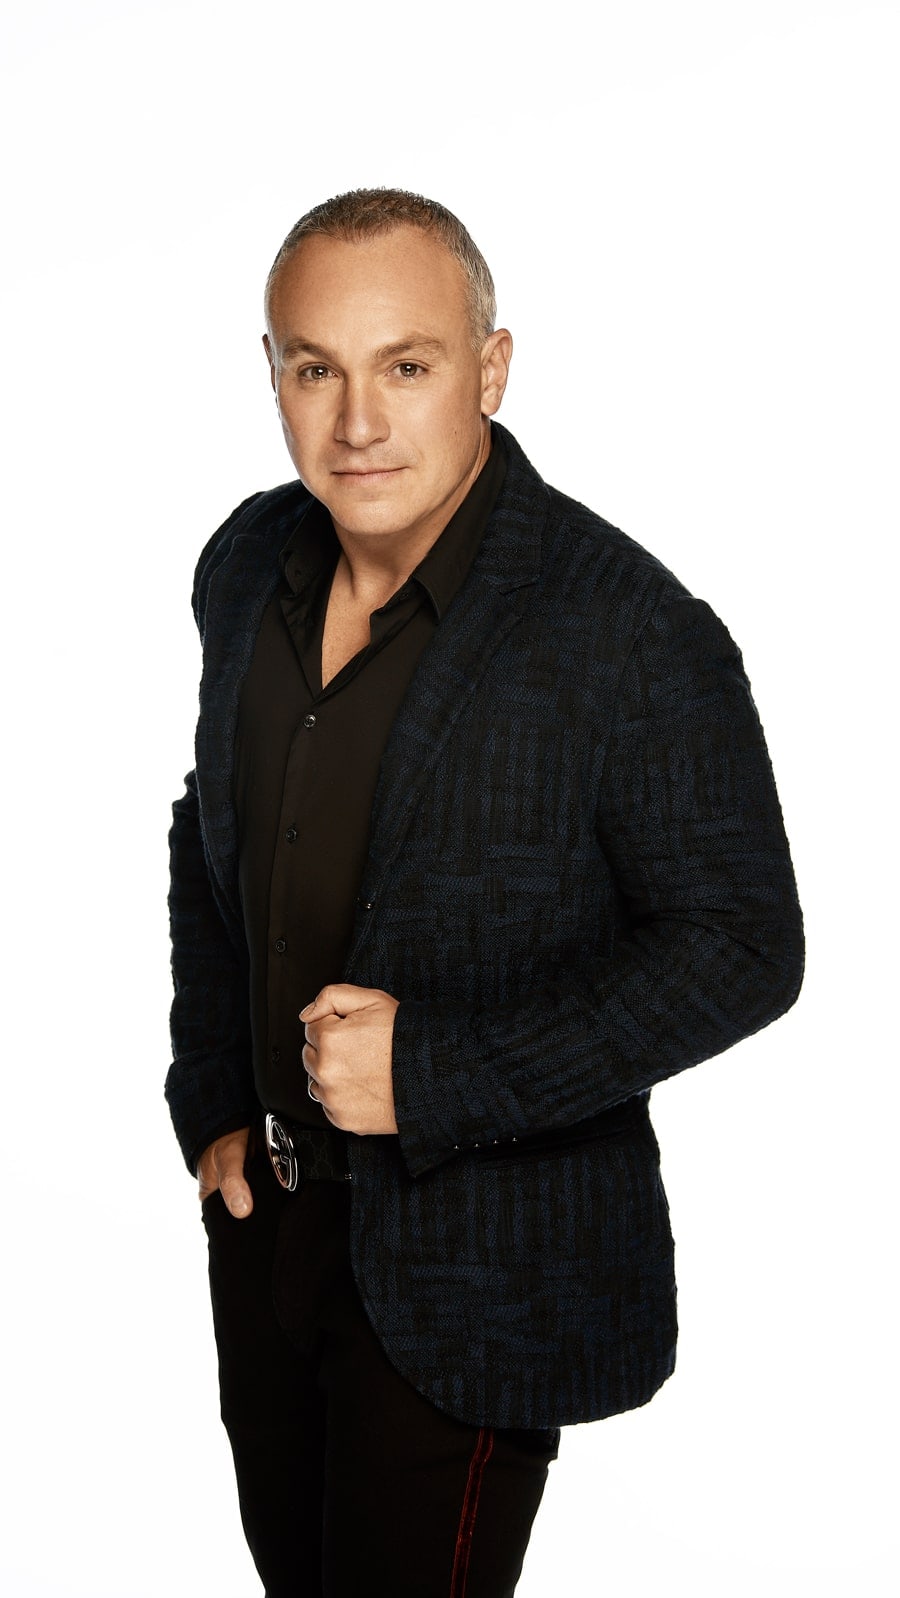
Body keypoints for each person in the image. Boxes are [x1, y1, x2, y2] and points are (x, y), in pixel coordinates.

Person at [167, 188, 803, 1598]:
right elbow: (207, 824)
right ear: (271, 372)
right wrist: (210, 1090)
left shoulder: (631, 632)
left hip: (476, 1269)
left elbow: (743, 945)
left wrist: (434, 1071)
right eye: (315, 369)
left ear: (492, 368)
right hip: (269, 1234)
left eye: (407, 365)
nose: (357, 422)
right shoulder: (244, 565)